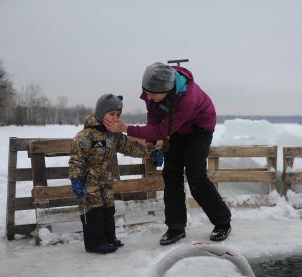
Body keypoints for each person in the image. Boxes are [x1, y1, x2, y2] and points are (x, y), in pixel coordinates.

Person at [104, 62, 232, 245]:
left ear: (168, 90)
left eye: (153, 95)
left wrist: (126, 128)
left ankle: (222, 222)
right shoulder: (153, 91)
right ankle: (176, 227)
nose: (148, 97)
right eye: (146, 92)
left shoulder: (188, 97)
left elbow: (162, 130)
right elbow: (154, 118)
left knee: (195, 175)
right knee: (171, 173)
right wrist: (151, 142)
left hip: (199, 128)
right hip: (177, 129)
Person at [69, 93, 150, 254]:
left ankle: (109, 238)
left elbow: (130, 147)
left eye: (117, 115)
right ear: (100, 113)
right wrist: (75, 179)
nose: (115, 118)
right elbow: (76, 159)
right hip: (89, 182)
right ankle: (95, 243)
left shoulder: (114, 135)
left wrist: (149, 152)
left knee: (108, 209)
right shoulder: (86, 136)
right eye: (111, 114)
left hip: (106, 180)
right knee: (94, 210)